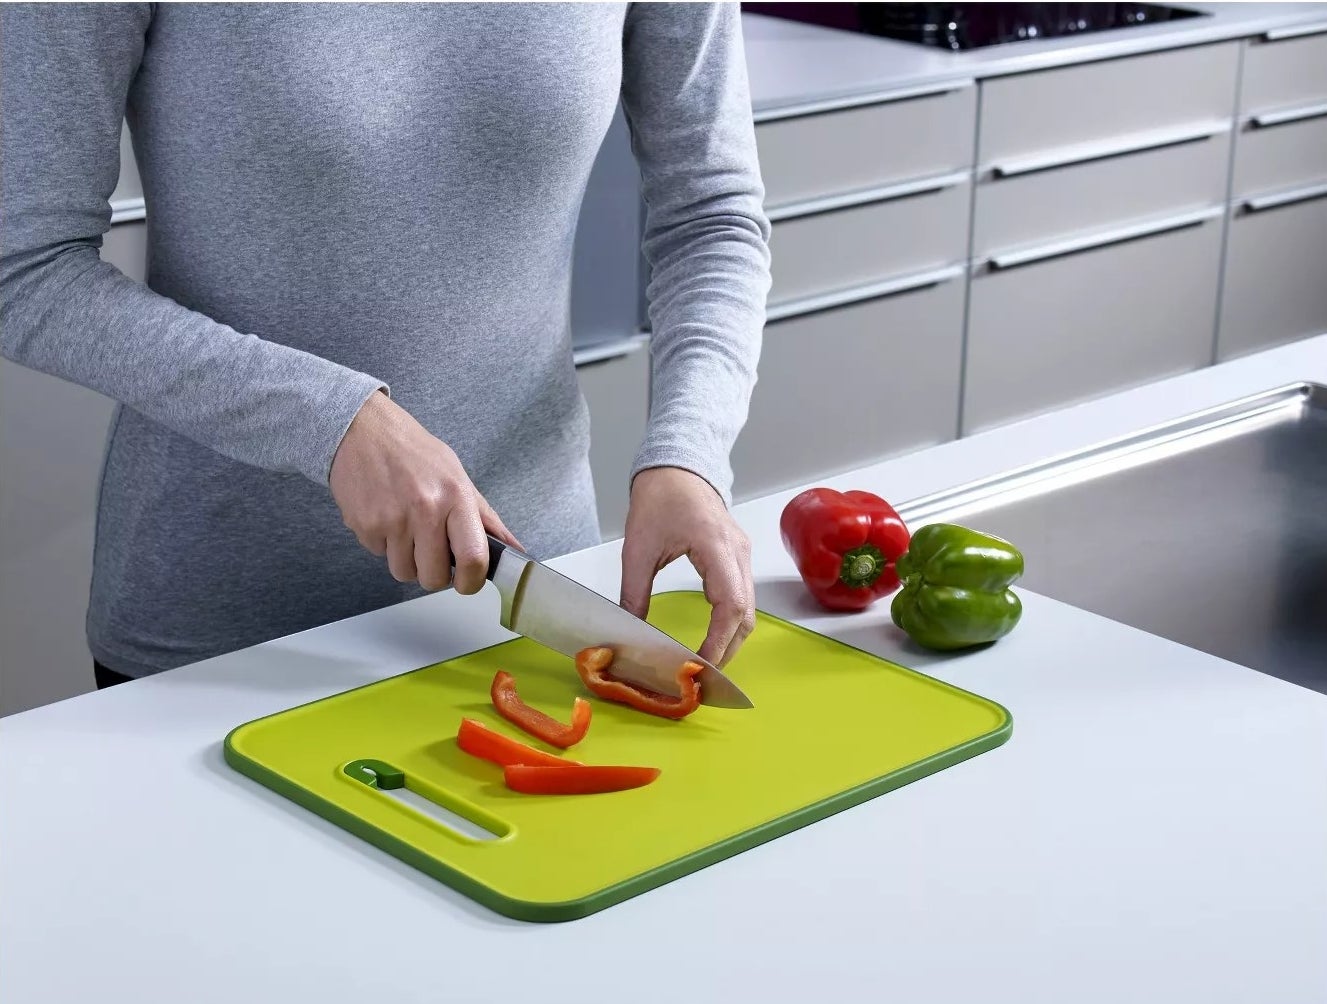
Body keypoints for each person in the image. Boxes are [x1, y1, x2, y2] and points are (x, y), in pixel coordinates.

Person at [0, 3, 771, 688]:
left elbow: (712, 217)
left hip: (525, 605)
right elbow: (23, 269)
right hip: (224, 644)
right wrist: (331, 422)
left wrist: (687, 455)